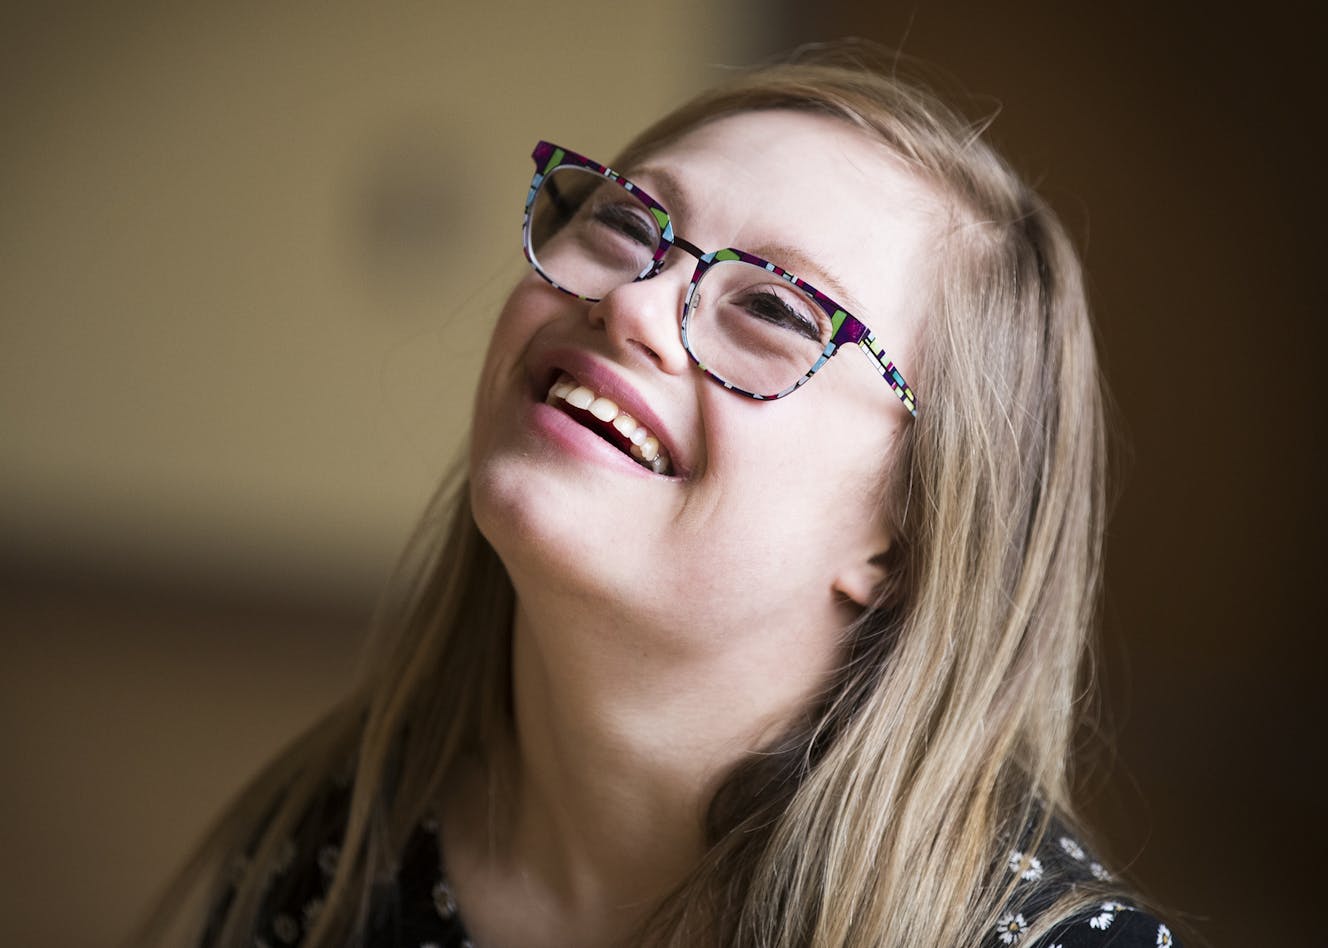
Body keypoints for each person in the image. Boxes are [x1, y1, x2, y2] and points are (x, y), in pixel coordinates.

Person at [137, 40, 1176, 948]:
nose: (632, 301)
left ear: (901, 542)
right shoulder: (336, 843)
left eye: (772, 305)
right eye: (628, 223)